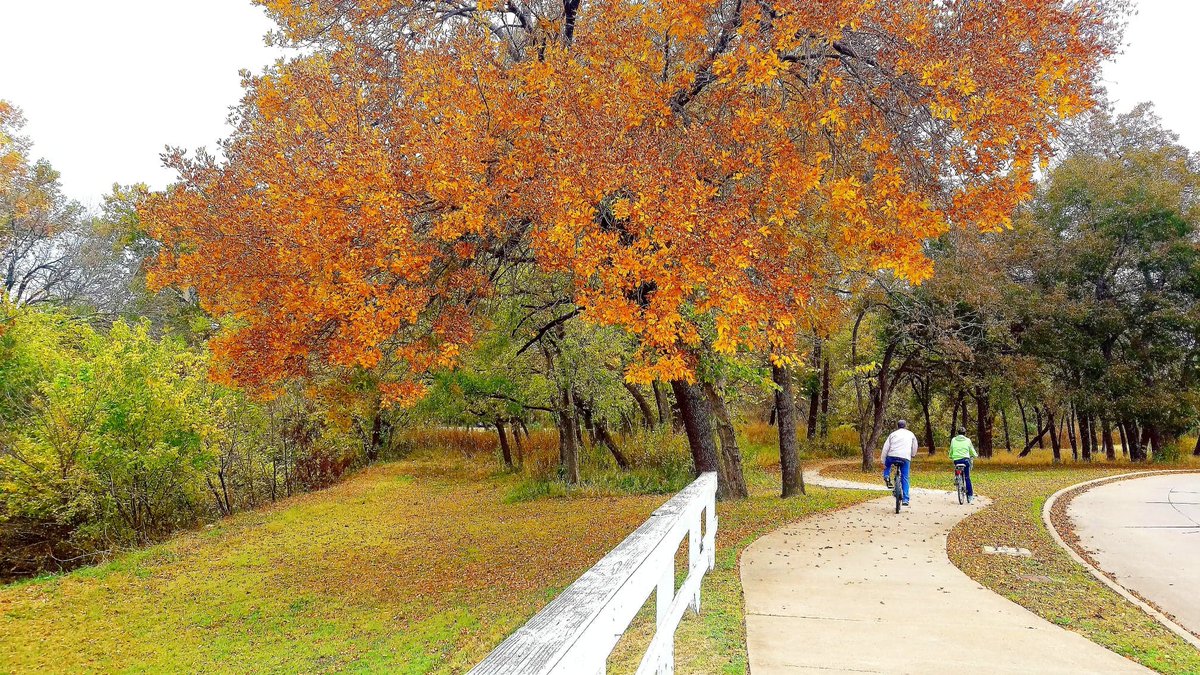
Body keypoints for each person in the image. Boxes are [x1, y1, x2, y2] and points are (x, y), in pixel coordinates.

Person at [880, 420, 919, 506]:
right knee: (905, 478)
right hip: (905, 458)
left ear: (897, 426)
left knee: (887, 463)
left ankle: (886, 476)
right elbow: (915, 446)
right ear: (905, 426)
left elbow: (885, 448)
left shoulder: (892, 434)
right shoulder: (911, 434)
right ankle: (905, 499)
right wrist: (912, 454)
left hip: (892, 456)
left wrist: (883, 461)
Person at [948, 427, 979, 503]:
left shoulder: (953, 440)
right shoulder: (968, 440)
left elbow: (951, 450)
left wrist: (950, 456)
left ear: (958, 433)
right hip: (965, 460)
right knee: (967, 477)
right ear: (965, 433)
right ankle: (970, 496)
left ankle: (957, 478)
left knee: (957, 466)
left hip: (956, 460)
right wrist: (975, 455)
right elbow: (971, 450)